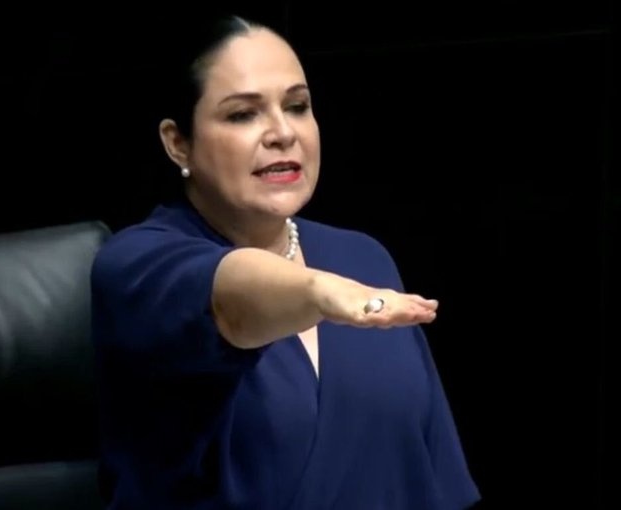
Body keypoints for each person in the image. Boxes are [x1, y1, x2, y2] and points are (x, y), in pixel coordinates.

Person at [90, 13, 481, 510]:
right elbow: (231, 302)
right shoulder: (135, 265)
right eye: (242, 114)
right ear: (178, 143)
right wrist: (318, 291)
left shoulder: (362, 257)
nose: (282, 133)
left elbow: (435, 477)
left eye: (297, 107)